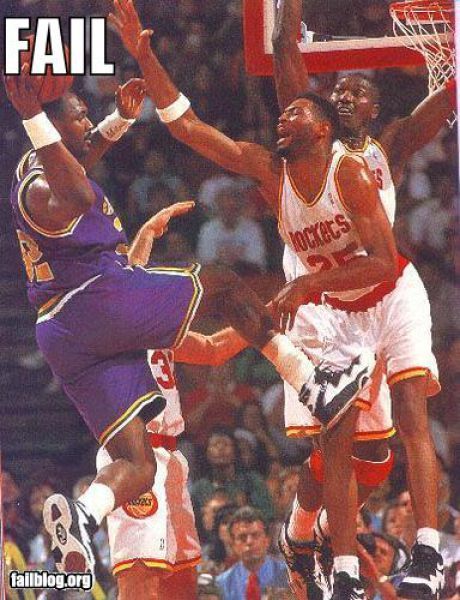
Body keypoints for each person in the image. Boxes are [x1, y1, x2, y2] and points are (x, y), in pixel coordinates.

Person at [4, 54, 367, 579]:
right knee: (220, 284)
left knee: (137, 464)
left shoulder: (39, 166)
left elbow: (77, 158)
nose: (88, 123)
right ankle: (311, 384)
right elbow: (77, 191)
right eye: (80, 116)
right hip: (96, 298)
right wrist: (31, 113)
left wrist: (117, 121)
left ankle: (83, 514)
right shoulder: (40, 189)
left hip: (64, 332)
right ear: (51, 128)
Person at [109, 1, 401, 597]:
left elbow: (383, 261)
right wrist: (146, 55)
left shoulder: (348, 173)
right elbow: (188, 127)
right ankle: (340, 570)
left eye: (294, 111)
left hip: (369, 302)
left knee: (374, 456)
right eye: (282, 112)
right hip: (319, 309)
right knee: (335, 436)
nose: (281, 118)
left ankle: (306, 536)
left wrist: (308, 283)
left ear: (323, 127)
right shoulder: (271, 170)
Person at [271, 1, 456, 597]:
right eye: (340, 91)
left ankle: (424, 551)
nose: (346, 96)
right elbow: (284, 52)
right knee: (340, 445)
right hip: (327, 306)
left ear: (376, 110)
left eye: (359, 92)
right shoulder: (307, 146)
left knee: (395, 434)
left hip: (387, 288)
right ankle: (313, 540)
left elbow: (445, 96)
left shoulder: (386, 146)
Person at [216, 506, 290, 599]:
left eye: (255, 535)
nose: (249, 542)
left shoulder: (290, 576)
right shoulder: (222, 584)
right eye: (242, 537)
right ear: (233, 544)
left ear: (267, 540)